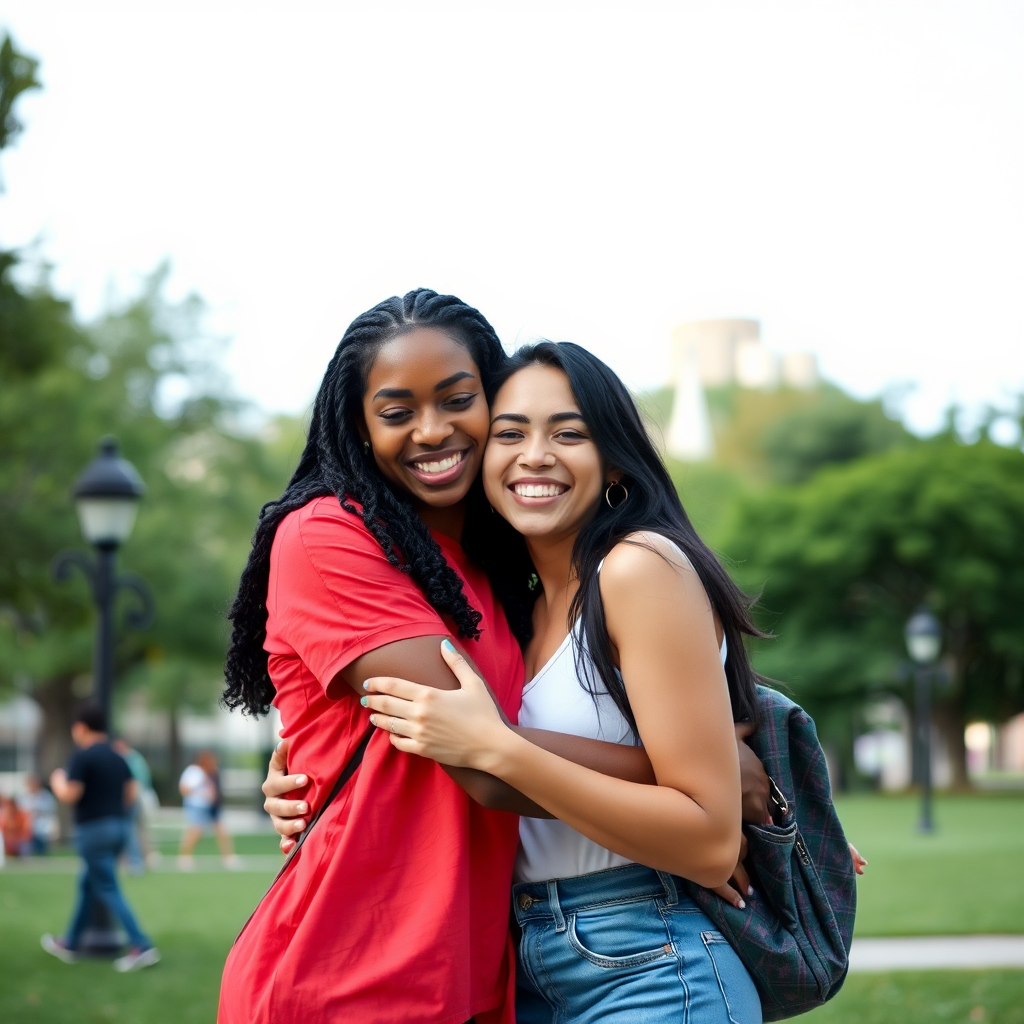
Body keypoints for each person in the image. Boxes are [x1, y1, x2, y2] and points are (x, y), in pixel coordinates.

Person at [220, 291, 773, 1024]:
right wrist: (700, 776)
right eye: (395, 411)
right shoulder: (329, 535)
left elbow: (515, 730)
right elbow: (475, 754)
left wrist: (700, 778)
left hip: (490, 974)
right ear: (355, 428)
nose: (432, 429)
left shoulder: (502, 568)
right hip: (345, 970)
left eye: (459, 400)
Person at [357, 341, 765, 1021]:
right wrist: (299, 775)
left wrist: (501, 749)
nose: (535, 454)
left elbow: (710, 838)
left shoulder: (637, 569)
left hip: (649, 967)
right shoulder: (514, 607)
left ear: (612, 460)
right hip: (526, 964)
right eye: (510, 433)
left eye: (568, 433)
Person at [40, 701, 160, 972]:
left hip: (92, 831)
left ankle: (141, 945)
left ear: (81, 728)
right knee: (89, 883)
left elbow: (71, 795)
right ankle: (69, 942)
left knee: (106, 886)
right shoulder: (119, 757)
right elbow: (131, 794)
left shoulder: (82, 756)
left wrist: (57, 781)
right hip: (118, 828)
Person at [178, 750, 240, 870]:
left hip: (211, 806)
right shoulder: (194, 772)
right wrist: (201, 791)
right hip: (197, 806)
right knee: (195, 831)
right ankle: (184, 857)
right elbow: (185, 789)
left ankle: (228, 857)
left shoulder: (212, 772)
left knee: (221, 830)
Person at [111, 738, 157, 872]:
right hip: (130, 798)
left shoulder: (131, 759)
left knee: (133, 829)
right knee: (133, 829)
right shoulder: (126, 758)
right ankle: (132, 857)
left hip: (134, 798)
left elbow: (135, 782)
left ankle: (138, 858)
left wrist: (128, 800)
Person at [21, 773, 59, 856]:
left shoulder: (46, 797)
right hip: (29, 831)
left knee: (41, 854)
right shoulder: (25, 797)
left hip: (43, 830)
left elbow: (51, 814)